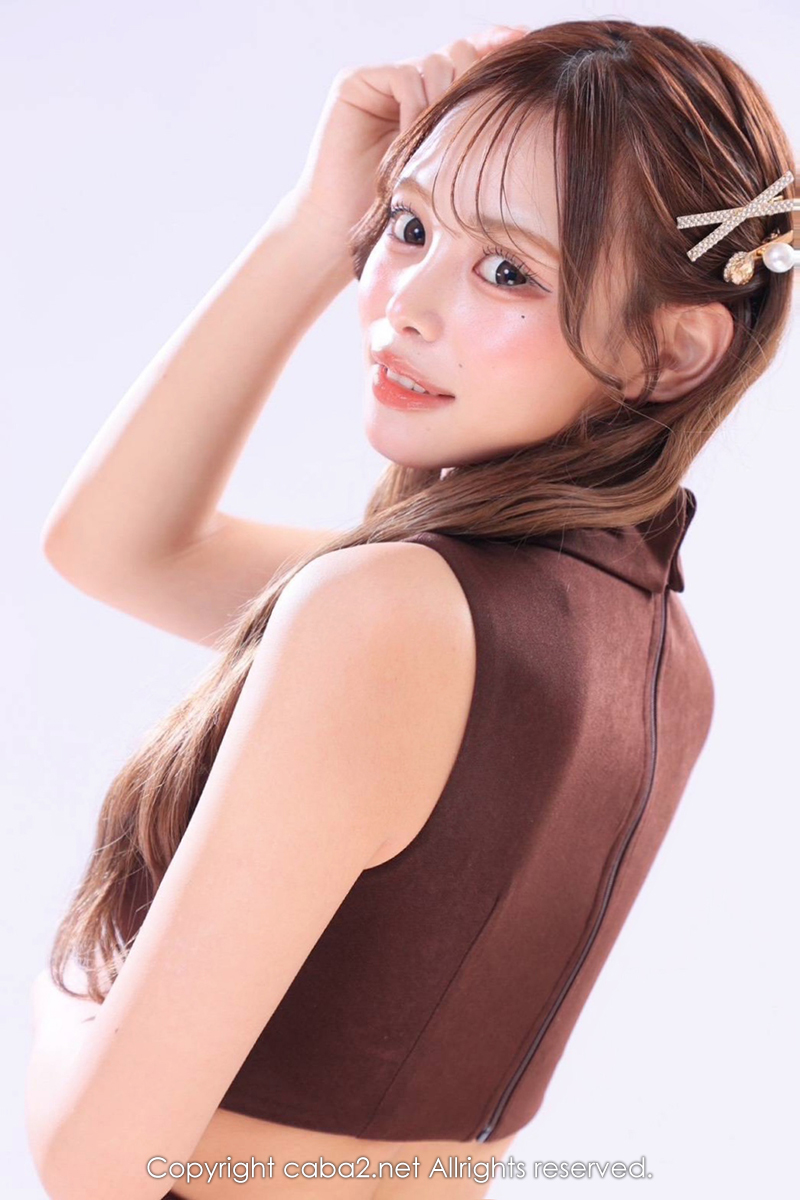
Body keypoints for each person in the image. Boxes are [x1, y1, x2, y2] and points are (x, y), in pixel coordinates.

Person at [25, 17, 796, 1200]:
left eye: (507, 272)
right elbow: (124, 547)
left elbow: (103, 1161)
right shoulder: (651, 656)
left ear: (666, 352)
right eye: (409, 225)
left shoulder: (391, 616)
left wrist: (71, 991)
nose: (406, 306)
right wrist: (312, 223)